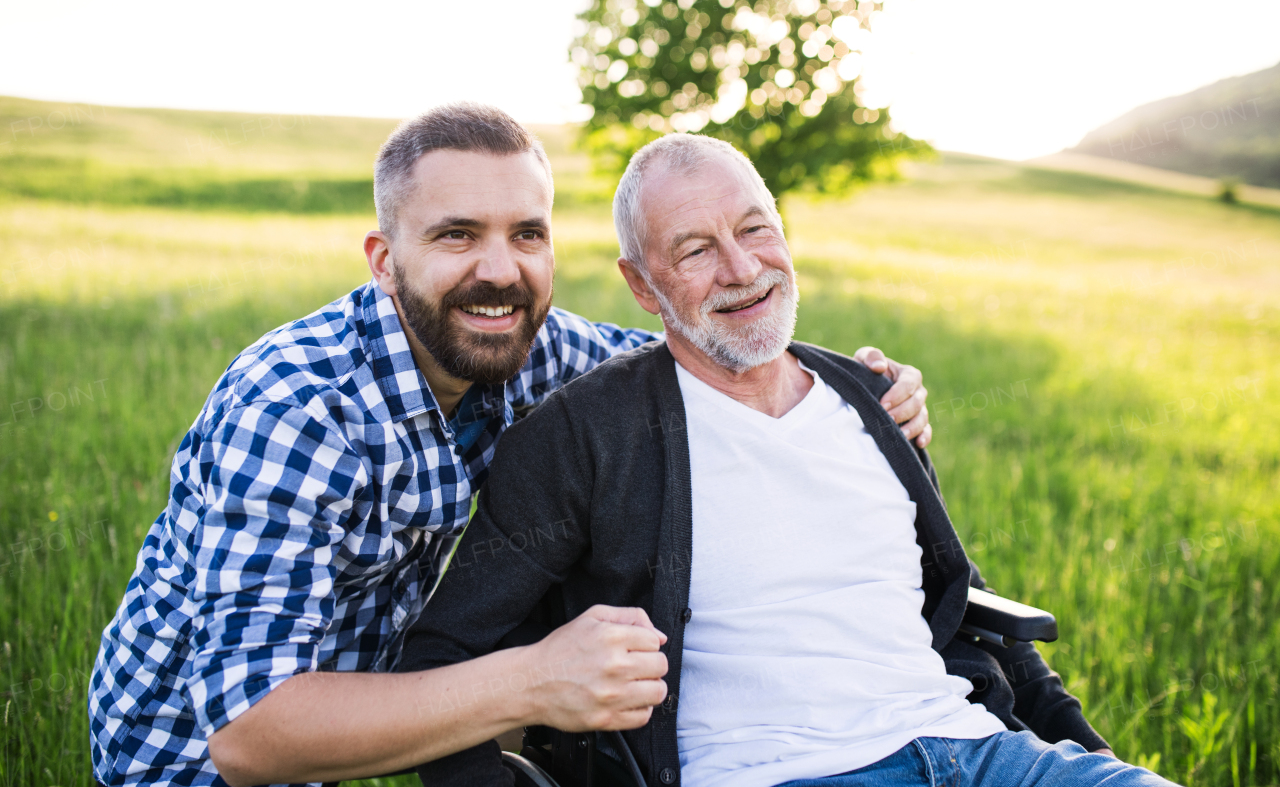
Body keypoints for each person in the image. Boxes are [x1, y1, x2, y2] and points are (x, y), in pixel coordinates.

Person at [87, 104, 931, 787]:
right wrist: (534, 681)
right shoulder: (301, 406)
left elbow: (715, 344)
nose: (500, 270)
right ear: (384, 260)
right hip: (187, 762)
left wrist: (867, 389)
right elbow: (250, 734)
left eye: (527, 234)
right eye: (457, 235)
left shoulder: (538, 350)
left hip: (370, 729)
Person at [401, 133, 1177, 787]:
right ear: (641, 284)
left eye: (755, 229)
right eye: (696, 249)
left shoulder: (872, 396)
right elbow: (445, 655)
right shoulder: (582, 435)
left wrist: (1092, 759)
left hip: (980, 752)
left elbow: (966, 602)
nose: (742, 269)